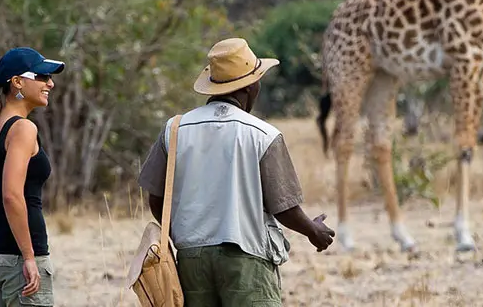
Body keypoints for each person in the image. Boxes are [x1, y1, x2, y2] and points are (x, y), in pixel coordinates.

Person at [137, 37, 335, 307]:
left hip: (191, 261)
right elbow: (284, 208)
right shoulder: (263, 135)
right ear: (252, 86)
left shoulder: (175, 129)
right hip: (246, 259)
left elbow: (156, 198)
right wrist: (314, 231)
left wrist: (183, 234)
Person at [0, 47, 64, 307]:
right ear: (17, 82)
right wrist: (28, 255)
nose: (50, 83)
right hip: (17, 261)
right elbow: (11, 195)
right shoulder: (23, 128)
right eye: (42, 77)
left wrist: (2, 225)